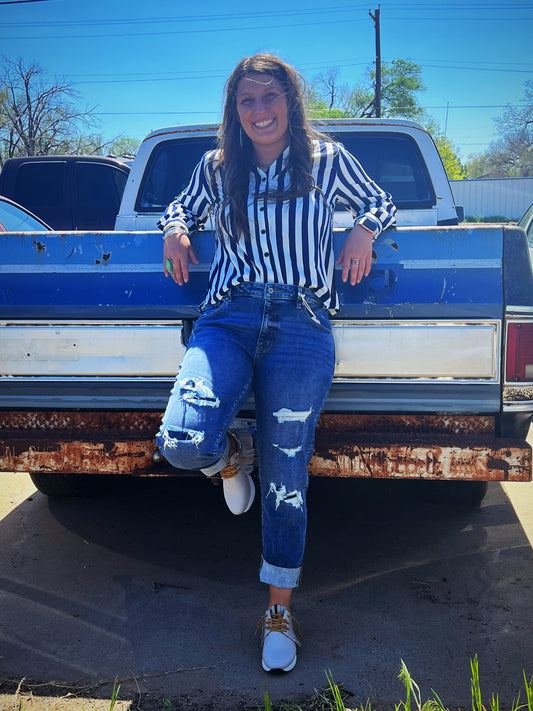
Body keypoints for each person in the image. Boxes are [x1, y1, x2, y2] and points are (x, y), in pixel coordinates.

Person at [156, 53, 396, 673]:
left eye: (269, 98)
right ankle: (230, 458)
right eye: (246, 101)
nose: (259, 112)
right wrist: (176, 231)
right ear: (233, 111)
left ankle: (279, 609)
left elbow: (380, 202)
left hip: (302, 322)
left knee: (288, 474)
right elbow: (179, 208)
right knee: (182, 440)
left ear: (290, 100)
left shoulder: (327, 160)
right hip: (229, 316)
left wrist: (363, 231)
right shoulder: (216, 166)